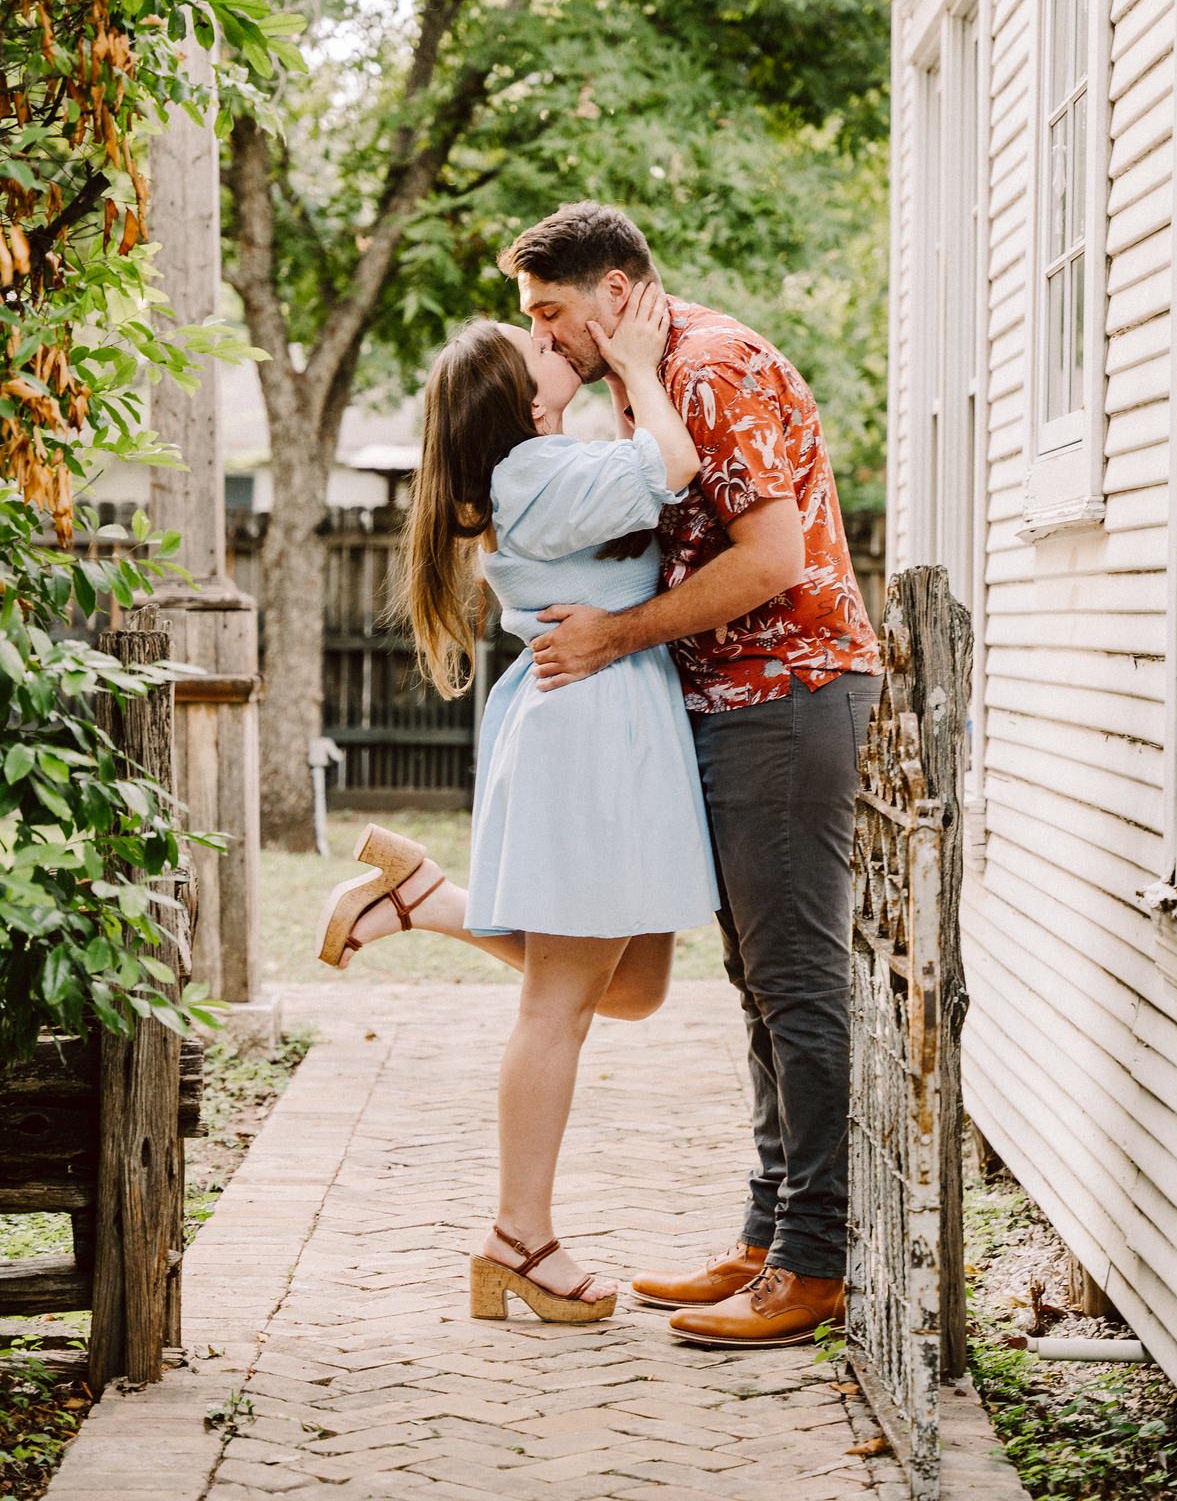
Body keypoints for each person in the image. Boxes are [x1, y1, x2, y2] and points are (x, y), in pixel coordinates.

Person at [497, 202, 882, 1351]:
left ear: (615, 293)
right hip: (733, 704)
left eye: (550, 313)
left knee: (795, 981)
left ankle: (814, 1259)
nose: (540, 338)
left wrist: (615, 635)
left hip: (786, 694)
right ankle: (768, 1235)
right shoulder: (646, 378)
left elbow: (772, 559)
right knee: (758, 984)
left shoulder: (706, 368)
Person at [314, 286, 719, 1324]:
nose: (549, 339)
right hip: (592, 732)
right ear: (520, 398)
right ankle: (518, 1238)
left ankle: (422, 900)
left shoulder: (544, 465)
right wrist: (637, 365)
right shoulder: (535, 472)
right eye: (531, 342)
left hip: (607, 719)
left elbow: (645, 473)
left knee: (636, 988)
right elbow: (673, 465)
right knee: (559, 1006)